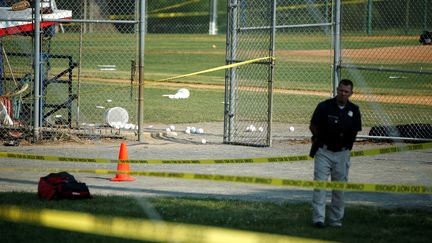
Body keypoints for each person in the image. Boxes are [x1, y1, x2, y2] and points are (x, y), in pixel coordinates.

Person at [309, 79, 362, 228]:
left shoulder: (354, 110)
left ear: (351, 93)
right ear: (336, 90)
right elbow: (313, 125)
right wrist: (319, 138)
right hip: (324, 151)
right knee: (320, 186)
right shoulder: (324, 106)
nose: (343, 94)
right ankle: (318, 219)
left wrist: (346, 145)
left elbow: (355, 130)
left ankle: (335, 220)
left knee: (339, 189)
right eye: (340, 90)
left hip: (342, 153)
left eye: (346, 92)